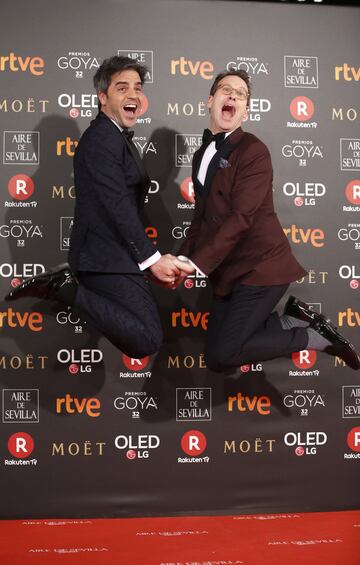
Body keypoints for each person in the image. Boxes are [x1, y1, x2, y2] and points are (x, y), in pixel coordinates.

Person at [174, 69, 360, 371]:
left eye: (241, 94)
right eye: (224, 89)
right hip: (227, 272)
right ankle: (289, 320)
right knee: (215, 358)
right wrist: (180, 261)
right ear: (210, 101)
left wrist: (195, 265)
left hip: (261, 268)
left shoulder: (254, 151)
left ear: (246, 110)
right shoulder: (200, 155)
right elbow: (202, 218)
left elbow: (241, 218)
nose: (232, 95)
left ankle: (315, 337)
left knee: (224, 354)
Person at [5, 55, 190, 358]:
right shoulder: (102, 139)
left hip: (116, 254)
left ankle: (65, 288)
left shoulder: (115, 137)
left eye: (138, 87)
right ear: (103, 97)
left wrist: (147, 259)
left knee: (146, 339)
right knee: (146, 340)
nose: (133, 95)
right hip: (103, 256)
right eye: (122, 88)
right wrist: (151, 260)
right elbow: (117, 204)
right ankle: (63, 288)